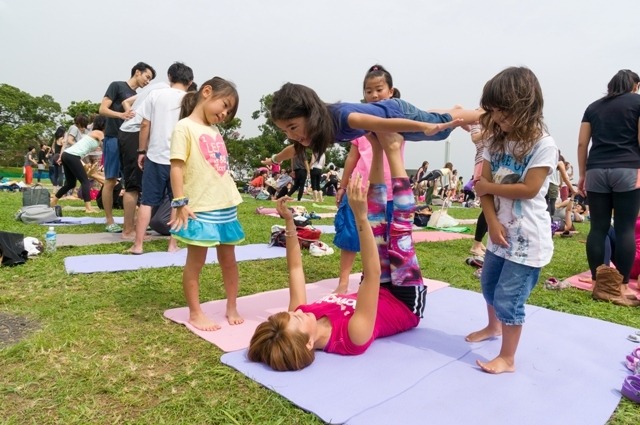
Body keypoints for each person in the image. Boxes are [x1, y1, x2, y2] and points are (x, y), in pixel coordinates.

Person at [248, 131, 426, 371]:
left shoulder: (300, 317)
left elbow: (295, 268)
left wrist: (290, 223)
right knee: (399, 230)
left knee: (375, 218)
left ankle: (377, 147)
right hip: (404, 302)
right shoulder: (352, 337)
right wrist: (359, 216)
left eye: (294, 314)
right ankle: (393, 150)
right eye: (298, 318)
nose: (300, 312)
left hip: (375, 291)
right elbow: (371, 274)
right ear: (309, 343)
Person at [465, 66, 559, 374]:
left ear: (525, 107)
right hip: (500, 234)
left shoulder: (543, 144)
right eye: (493, 111)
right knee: (489, 286)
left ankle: (507, 357)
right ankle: (492, 328)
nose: (498, 118)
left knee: (509, 297)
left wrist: (488, 187)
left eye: (503, 112)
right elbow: (483, 193)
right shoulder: (495, 141)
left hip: (528, 242)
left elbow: (530, 189)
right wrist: (491, 222)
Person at [169, 76, 244, 331]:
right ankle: (195, 312)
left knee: (229, 261)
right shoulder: (184, 127)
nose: (225, 113)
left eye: (229, 111)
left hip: (225, 205)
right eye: (224, 105)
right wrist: (180, 202)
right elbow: (177, 167)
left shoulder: (214, 131)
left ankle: (232, 305)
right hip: (200, 207)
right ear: (207, 92)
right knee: (196, 262)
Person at [269, 80, 482, 160]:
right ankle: (441, 114)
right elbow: (296, 148)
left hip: (397, 114)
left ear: (311, 113)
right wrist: (276, 159)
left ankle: (477, 113)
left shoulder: (346, 118)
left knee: (441, 130)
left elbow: (385, 125)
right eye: (285, 131)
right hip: (389, 119)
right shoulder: (312, 130)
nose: (292, 135)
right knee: (432, 122)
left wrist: (427, 126)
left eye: (293, 127)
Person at [332, 64, 401, 293]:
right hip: (359, 189)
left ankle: (378, 281)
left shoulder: (399, 120)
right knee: (351, 237)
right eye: (368, 91)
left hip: (388, 191)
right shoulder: (358, 124)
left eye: (379, 89)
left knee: (385, 240)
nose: (373, 95)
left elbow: (425, 122)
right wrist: (342, 186)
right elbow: (352, 158)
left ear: (391, 91)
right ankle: (343, 282)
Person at [577, 69, 640, 302]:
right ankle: (621, 287)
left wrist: (582, 175)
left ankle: (597, 284)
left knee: (598, 228)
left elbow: (583, 143)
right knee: (624, 228)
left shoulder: (593, 107)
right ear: (635, 85)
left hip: (596, 169)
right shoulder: (638, 102)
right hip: (628, 168)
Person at [128, 63, 192, 255]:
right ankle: (173, 245)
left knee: (147, 202)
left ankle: (138, 245)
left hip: (155, 156)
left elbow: (145, 125)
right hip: (179, 159)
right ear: (189, 82)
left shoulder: (156, 95)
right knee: (177, 202)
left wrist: (141, 150)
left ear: (169, 76)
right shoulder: (191, 100)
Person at [99, 62, 156, 233]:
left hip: (129, 141)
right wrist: (121, 115)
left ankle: (130, 223)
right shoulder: (117, 86)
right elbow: (102, 109)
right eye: (147, 77)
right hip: (113, 138)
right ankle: (109, 220)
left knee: (131, 183)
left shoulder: (138, 95)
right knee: (110, 179)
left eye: (150, 80)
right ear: (137, 72)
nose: (148, 82)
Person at [118, 78, 170, 239]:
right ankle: (128, 230)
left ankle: (133, 226)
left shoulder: (157, 88)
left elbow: (126, 101)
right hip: (134, 132)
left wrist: (130, 114)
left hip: (130, 131)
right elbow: (146, 124)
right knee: (133, 185)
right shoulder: (165, 93)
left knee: (137, 184)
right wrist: (142, 149)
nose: (148, 80)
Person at [51, 116, 107, 213]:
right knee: (85, 181)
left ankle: (53, 201)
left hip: (68, 155)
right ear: (103, 124)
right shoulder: (99, 133)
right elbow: (107, 144)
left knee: (71, 183)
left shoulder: (94, 134)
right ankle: (88, 208)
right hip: (72, 155)